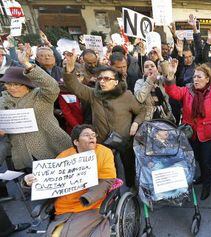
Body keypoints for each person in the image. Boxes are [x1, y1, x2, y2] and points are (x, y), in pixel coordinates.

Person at [63, 50, 146, 187]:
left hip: (124, 141)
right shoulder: (93, 95)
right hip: (102, 142)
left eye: (107, 79)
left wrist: (136, 123)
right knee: (107, 173)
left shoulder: (127, 96)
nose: (102, 81)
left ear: (116, 82)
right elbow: (75, 87)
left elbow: (141, 111)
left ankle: (132, 191)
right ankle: (111, 195)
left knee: (129, 169)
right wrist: (69, 70)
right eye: (100, 78)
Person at [24, 124, 116, 237]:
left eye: (93, 135)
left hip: (91, 205)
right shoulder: (65, 156)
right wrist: (28, 182)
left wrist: (89, 197)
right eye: (87, 135)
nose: (92, 138)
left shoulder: (104, 152)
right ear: (76, 142)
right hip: (64, 207)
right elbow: (49, 179)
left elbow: (107, 180)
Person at [163, 55, 211, 200]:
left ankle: (207, 186)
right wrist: (170, 76)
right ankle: (202, 177)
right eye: (194, 76)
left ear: (208, 79)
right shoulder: (187, 90)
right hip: (192, 134)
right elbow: (172, 92)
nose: (195, 79)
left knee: (207, 161)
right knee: (197, 158)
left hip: (209, 134)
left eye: (199, 77)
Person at [0, 45, 72, 171]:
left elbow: (52, 86)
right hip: (24, 158)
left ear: (27, 85)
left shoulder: (41, 96)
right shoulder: (2, 101)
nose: (11, 88)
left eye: (16, 84)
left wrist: (27, 64)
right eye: (8, 84)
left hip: (54, 149)